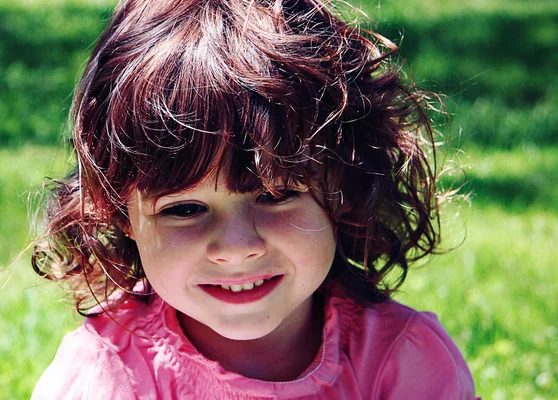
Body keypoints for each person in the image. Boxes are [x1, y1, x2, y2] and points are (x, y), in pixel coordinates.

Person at [31, 0, 477, 398]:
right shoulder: (106, 375)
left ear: (343, 182)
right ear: (118, 210)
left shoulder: (402, 364)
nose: (238, 246)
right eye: (185, 209)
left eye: (275, 194)